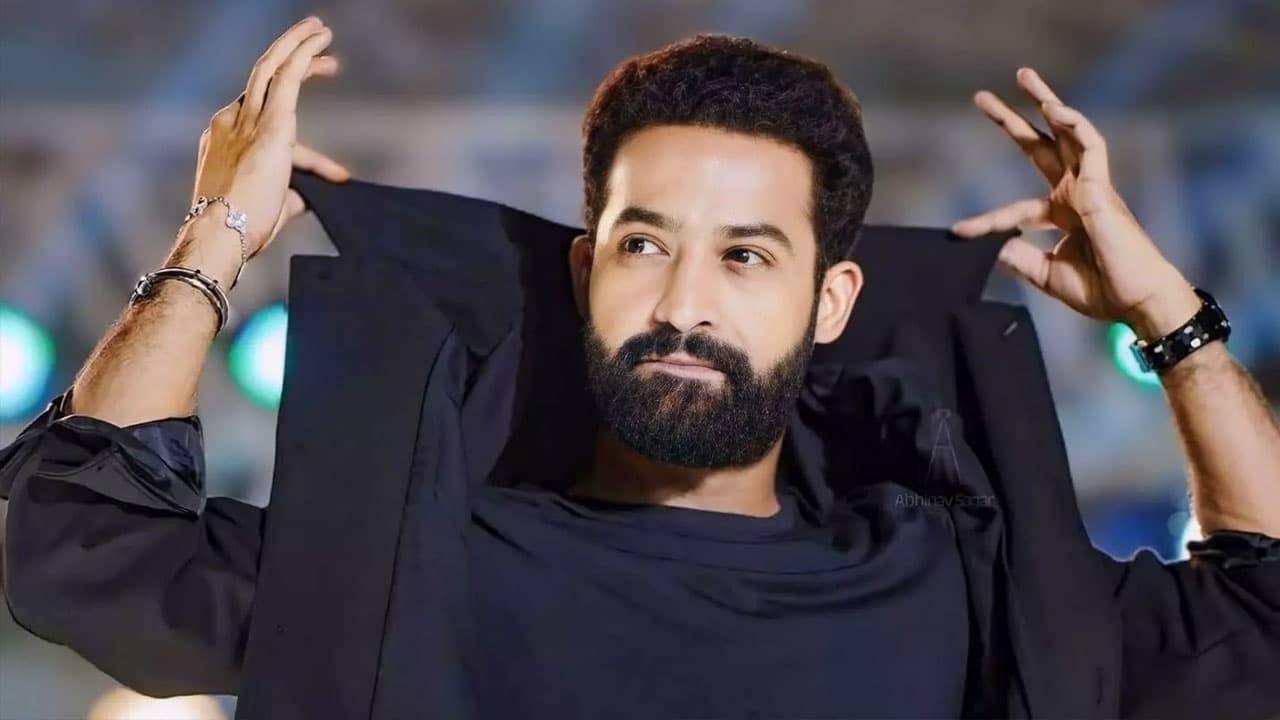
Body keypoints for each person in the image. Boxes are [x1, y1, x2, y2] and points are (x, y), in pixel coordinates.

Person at [2, 16, 1278, 719]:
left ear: (831, 300)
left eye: (744, 256)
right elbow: (77, 543)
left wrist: (1168, 318)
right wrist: (216, 234)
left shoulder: (948, 583)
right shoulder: (416, 561)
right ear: (583, 273)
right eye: (643, 244)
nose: (680, 304)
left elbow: (1259, 623)